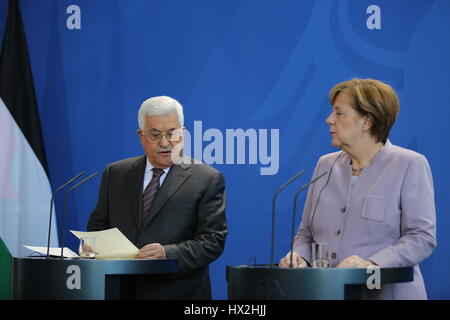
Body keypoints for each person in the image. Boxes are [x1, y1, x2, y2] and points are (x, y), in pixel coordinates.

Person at [279, 79, 436, 299]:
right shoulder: (325, 164)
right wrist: (300, 256)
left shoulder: (409, 164)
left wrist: (372, 263)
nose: (329, 120)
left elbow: (421, 237)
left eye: (339, 113)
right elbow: (306, 233)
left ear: (367, 121)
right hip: (329, 293)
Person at [87, 96, 228, 299]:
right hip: (121, 290)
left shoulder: (206, 178)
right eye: (155, 135)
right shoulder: (116, 173)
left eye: (172, 134)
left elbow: (213, 241)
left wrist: (167, 253)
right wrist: (93, 244)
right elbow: (98, 226)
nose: (165, 143)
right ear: (141, 136)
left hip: (178, 292)